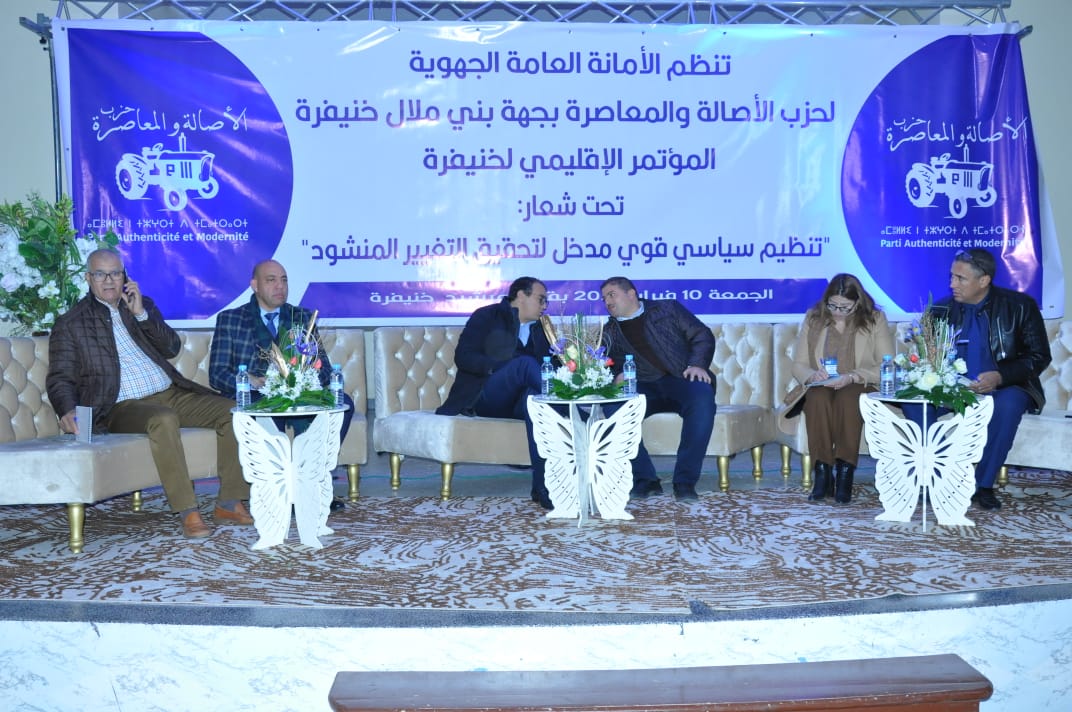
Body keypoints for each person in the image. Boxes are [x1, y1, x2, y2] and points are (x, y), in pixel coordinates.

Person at [46, 249, 253, 539]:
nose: (109, 280)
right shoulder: (71, 323)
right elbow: (60, 376)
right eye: (101, 274)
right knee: (163, 419)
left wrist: (141, 314)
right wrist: (66, 409)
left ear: (125, 277)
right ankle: (188, 510)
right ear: (88, 278)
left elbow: (171, 347)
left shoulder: (142, 307)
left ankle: (229, 502)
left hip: (170, 393)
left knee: (233, 411)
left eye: (115, 273)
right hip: (119, 406)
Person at [903, 248, 1051, 510]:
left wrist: (1000, 376)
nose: (952, 284)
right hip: (952, 388)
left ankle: (983, 485)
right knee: (914, 403)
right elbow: (926, 357)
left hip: (1005, 386)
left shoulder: (1019, 306)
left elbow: (1039, 357)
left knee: (1008, 404)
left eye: (960, 278)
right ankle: (941, 475)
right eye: (951, 277)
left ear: (984, 280)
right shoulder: (940, 309)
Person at [209, 260, 354, 509]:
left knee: (344, 403)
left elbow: (325, 369)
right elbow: (217, 374)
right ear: (254, 285)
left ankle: (312, 484)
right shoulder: (231, 319)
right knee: (267, 414)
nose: (280, 286)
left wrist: (304, 376)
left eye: (284, 280)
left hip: (299, 393)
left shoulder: (301, 317)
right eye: (271, 280)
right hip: (258, 395)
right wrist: (251, 381)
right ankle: (280, 494)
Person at [435, 277, 554, 509]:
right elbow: (464, 356)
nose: (544, 306)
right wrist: (500, 368)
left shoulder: (542, 329)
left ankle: (542, 487)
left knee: (534, 399)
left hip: (519, 402)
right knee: (525, 365)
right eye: (541, 300)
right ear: (521, 295)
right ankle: (573, 411)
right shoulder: (487, 316)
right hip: (485, 395)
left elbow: (550, 367)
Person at [598, 276, 716, 501]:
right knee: (613, 406)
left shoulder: (666, 309)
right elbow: (604, 364)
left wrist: (697, 364)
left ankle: (685, 482)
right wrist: (616, 376)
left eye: (612, 295)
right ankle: (645, 480)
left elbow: (701, 335)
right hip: (642, 387)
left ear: (631, 293)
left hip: (681, 378)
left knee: (702, 397)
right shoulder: (609, 331)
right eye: (604, 299)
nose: (607, 302)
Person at [790, 274, 894, 504]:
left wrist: (852, 376)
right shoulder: (814, 318)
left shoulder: (874, 319)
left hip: (858, 382)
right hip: (822, 384)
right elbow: (798, 364)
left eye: (845, 307)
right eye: (833, 305)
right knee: (817, 398)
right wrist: (812, 375)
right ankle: (823, 473)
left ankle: (845, 473)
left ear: (857, 303)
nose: (837, 311)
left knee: (849, 398)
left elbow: (886, 364)